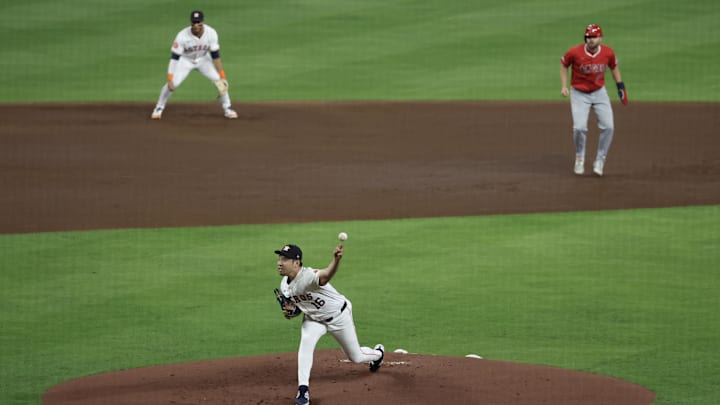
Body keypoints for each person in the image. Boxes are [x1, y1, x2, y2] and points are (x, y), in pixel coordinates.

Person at [274, 243, 384, 405]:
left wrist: (336, 260)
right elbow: (299, 307)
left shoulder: (309, 276)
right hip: (313, 320)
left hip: (339, 317)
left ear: (296, 263)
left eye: (284, 259)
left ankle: (378, 354)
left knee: (355, 357)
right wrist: (291, 311)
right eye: (280, 257)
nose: (279, 262)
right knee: (306, 343)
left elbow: (325, 275)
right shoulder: (284, 284)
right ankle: (303, 390)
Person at [560, 24, 628, 176]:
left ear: (600, 38)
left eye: (594, 36)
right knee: (579, 128)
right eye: (588, 37)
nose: (591, 40)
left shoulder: (607, 52)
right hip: (579, 93)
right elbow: (564, 65)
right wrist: (564, 86)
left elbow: (614, 67)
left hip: (599, 93)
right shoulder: (574, 52)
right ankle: (579, 157)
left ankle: (600, 160)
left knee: (609, 126)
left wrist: (620, 86)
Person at [151, 10, 238, 120]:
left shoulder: (211, 33)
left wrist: (222, 75)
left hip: (204, 59)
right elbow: (174, 59)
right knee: (173, 84)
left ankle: (228, 108)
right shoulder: (182, 36)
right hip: (185, 60)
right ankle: (159, 107)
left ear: (203, 22)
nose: (196, 25)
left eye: (198, 22)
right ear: (191, 23)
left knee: (220, 82)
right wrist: (169, 78)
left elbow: (216, 56)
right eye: (194, 23)